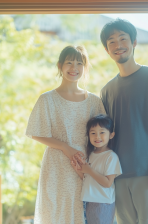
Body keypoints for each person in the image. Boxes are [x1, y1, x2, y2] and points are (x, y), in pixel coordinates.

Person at [100, 18, 148, 223]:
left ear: (134, 43)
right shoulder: (106, 91)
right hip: (118, 175)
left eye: (123, 38)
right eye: (111, 42)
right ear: (107, 50)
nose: (118, 45)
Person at [25, 45, 106, 224]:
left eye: (79, 63)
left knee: (84, 213)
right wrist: (64, 147)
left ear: (84, 68)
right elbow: (35, 132)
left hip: (85, 165)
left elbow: (103, 136)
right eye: (69, 62)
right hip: (56, 166)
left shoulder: (94, 101)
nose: (74, 68)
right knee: (55, 213)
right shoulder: (47, 99)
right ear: (60, 65)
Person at [71, 114, 122, 224]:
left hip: (102, 202)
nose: (97, 136)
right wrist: (79, 170)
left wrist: (89, 170)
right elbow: (88, 178)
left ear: (111, 135)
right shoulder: (91, 154)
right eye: (93, 133)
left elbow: (108, 183)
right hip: (89, 201)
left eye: (102, 132)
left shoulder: (111, 157)